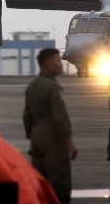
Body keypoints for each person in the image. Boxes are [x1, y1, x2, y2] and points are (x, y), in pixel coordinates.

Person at [23, 48, 79, 204]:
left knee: (40, 184)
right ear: (48, 64)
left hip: (36, 138)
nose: (61, 64)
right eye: (58, 61)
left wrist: (33, 136)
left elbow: (27, 117)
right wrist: (71, 144)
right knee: (60, 186)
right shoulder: (52, 87)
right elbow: (60, 118)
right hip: (53, 139)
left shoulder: (32, 86)